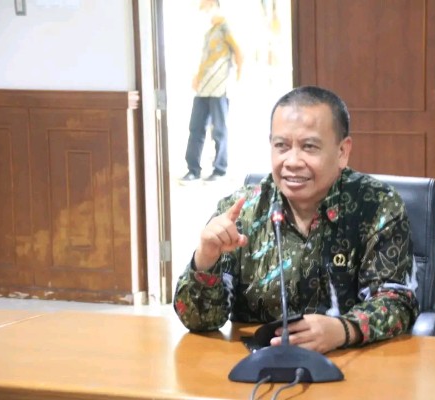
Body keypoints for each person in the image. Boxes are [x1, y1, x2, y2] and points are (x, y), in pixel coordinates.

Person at [173, 86, 419, 354]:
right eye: (281, 146)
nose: (292, 161)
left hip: (350, 362)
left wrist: (343, 330)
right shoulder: (241, 211)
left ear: (342, 151)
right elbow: (200, 321)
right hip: (258, 367)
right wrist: (205, 259)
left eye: (309, 147)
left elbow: (397, 302)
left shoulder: (378, 206)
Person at [181, 0, 243, 183]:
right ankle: (193, 169)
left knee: (219, 130)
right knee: (195, 128)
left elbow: (239, 53)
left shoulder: (226, 27)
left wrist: (237, 79)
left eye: (205, 5)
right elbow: (205, 59)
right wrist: (197, 77)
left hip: (220, 88)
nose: (203, 9)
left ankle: (220, 169)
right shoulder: (209, 32)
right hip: (203, 88)